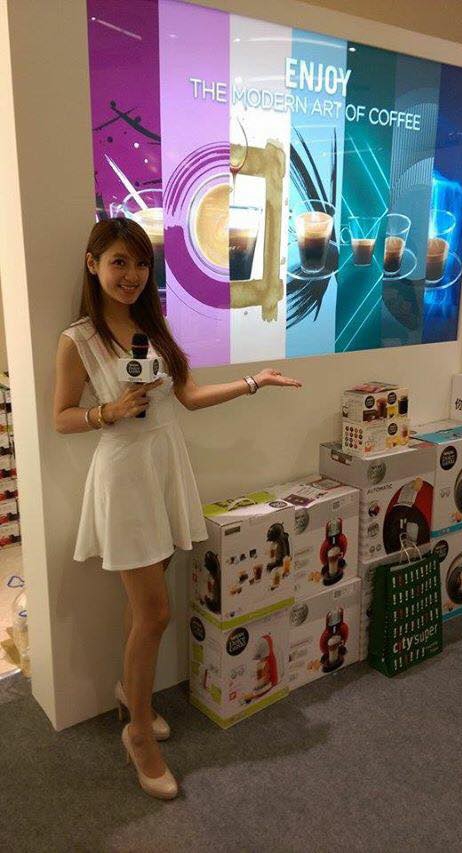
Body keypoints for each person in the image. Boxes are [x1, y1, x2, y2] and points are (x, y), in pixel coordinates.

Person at [53, 217, 302, 800]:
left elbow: (186, 396)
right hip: (124, 477)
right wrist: (107, 412)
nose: (132, 275)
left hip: (166, 468)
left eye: (140, 263)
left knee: (143, 607)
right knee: (156, 613)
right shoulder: (79, 339)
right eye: (119, 262)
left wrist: (254, 382)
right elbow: (60, 417)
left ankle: (127, 693)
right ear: (93, 265)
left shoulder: (153, 324)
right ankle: (139, 734)